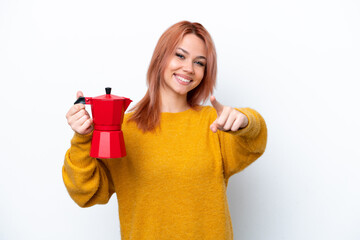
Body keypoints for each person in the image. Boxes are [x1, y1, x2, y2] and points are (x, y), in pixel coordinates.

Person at [63, 21, 267, 240]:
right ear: (160, 57)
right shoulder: (121, 129)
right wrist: (82, 138)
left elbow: (254, 142)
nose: (189, 68)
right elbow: (85, 193)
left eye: (199, 63)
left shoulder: (214, 123)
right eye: (180, 55)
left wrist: (245, 120)